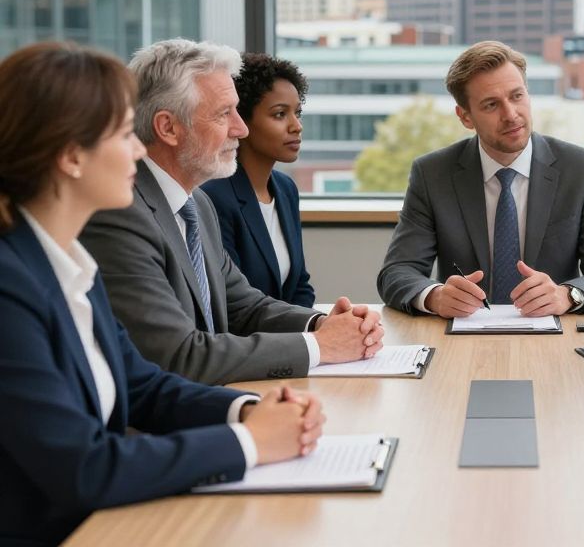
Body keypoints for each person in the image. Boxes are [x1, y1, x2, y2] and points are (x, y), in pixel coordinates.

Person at [0, 43, 325, 545]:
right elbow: (86, 467)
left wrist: (247, 410)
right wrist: (249, 442)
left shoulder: (67, 262)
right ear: (70, 156)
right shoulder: (10, 285)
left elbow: (142, 386)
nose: (138, 149)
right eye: (121, 134)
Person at [80, 39, 384, 385]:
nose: (241, 128)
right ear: (168, 128)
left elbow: (244, 306)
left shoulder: (197, 204)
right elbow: (178, 355)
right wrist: (321, 346)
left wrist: (323, 324)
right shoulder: (120, 213)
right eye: (225, 114)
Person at [378, 40, 584, 317]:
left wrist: (567, 295)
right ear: (465, 117)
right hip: (464, 333)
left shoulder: (582, 169)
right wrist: (435, 296)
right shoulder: (433, 174)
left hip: (554, 333)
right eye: (491, 105)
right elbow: (397, 271)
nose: (511, 115)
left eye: (517, 96)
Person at [201, 54, 314, 307]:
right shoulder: (214, 196)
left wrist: (319, 325)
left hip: (288, 329)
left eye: (297, 112)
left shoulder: (285, 189)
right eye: (280, 114)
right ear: (241, 121)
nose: (296, 126)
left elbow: (299, 285)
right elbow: (232, 303)